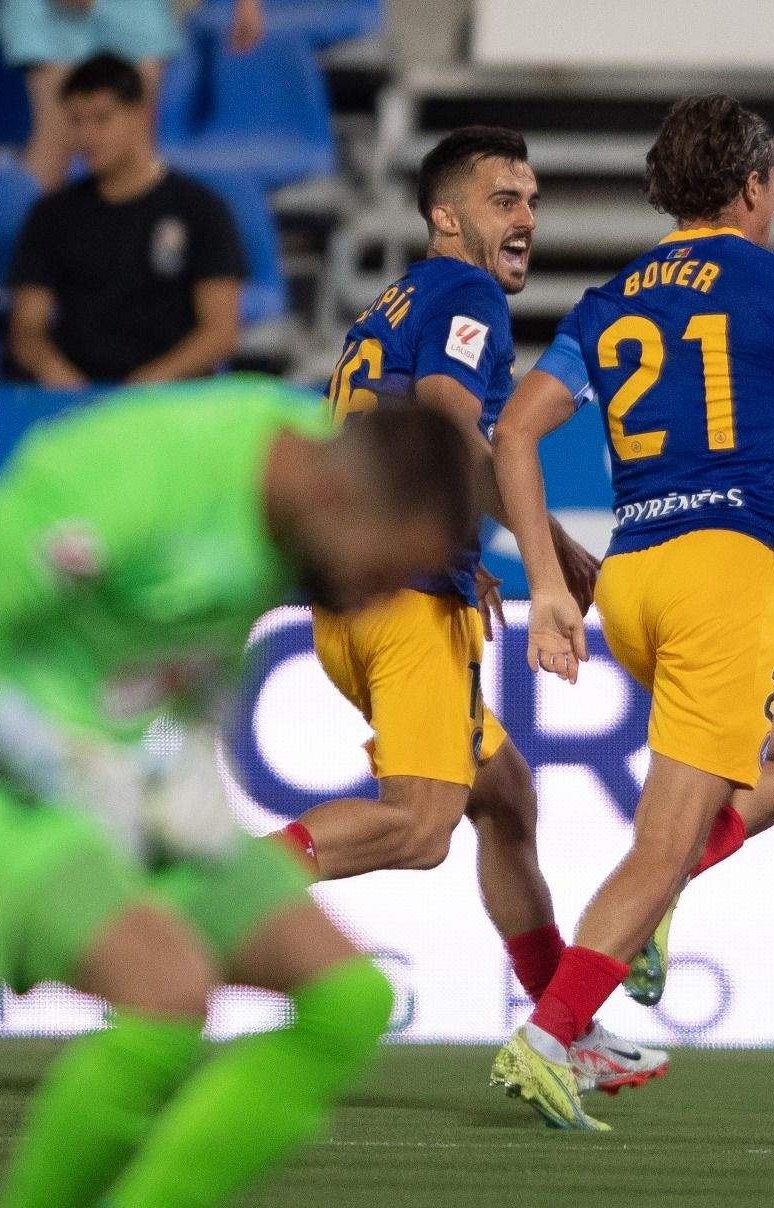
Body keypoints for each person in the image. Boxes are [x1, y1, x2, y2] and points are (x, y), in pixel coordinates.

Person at [0, 376, 475, 1205]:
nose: (383, 599)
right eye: (389, 568)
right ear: (337, 495)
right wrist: (58, 764)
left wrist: (180, 769)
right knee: (167, 998)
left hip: (113, 785)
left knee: (348, 1001)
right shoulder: (139, 484)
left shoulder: (296, 481)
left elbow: (192, 653)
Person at [488, 94, 774, 1131]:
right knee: (658, 843)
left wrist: (554, 583)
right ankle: (550, 1033)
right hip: (721, 579)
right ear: (751, 187)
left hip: (635, 577)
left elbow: (513, 436)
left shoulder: (607, 299)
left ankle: (649, 916)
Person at [267, 127, 667, 1096]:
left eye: (529, 198)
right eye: (501, 199)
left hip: (363, 594)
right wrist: (540, 563)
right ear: (446, 215)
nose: (523, 216)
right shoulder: (466, 293)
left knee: (505, 799)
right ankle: (192, 909)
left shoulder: (394, 301)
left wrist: (540, 544)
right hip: (408, 604)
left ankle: (559, 1025)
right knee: (417, 826)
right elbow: (449, 403)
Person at [9, 54, 246, 388]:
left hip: (167, 400)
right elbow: (27, 329)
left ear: (142, 116)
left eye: (101, 119)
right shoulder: (51, 215)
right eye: (76, 121)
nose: (86, 136)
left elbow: (220, 332)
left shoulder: (200, 210)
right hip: (77, 400)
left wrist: (147, 384)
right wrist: (60, 377)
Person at [0, 0, 263, 188]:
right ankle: (30, 260)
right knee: (57, 138)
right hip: (50, 14)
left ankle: (135, 260)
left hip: (133, 9)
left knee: (136, 139)